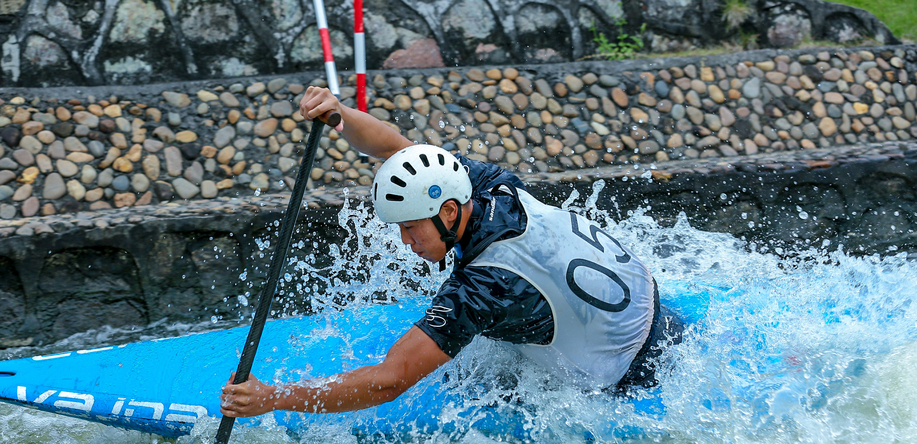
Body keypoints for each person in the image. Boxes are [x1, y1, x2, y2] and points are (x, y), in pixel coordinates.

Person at [220, 86, 683, 418]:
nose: (405, 242)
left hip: (627, 380)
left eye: (411, 228)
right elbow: (398, 149)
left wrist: (272, 399)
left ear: (445, 210)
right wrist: (339, 114)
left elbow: (391, 380)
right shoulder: (485, 184)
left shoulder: (487, 285)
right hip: (661, 312)